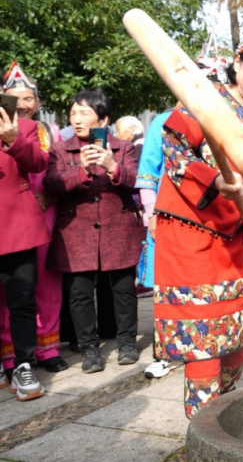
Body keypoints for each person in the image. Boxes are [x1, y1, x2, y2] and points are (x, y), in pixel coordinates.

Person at [153, 34, 243, 418]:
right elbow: (174, 146)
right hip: (194, 237)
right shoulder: (204, 101)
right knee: (203, 344)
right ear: (238, 65)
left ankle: (221, 421)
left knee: (236, 340)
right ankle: (203, 436)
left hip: (241, 243)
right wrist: (212, 180)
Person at [44, 89, 142, 374]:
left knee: (124, 290)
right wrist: (83, 171)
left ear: (104, 118)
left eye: (84, 113)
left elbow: (137, 180)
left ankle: (126, 343)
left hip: (118, 228)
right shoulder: (60, 150)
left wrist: (112, 165)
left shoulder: (123, 147)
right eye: (73, 113)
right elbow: (52, 184)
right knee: (80, 294)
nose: (76, 119)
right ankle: (89, 348)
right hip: (76, 232)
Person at [0, 63, 67, 375]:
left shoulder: (44, 130)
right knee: (12, 293)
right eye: (13, 98)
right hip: (13, 216)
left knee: (42, 287)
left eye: (28, 98)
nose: (21, 104)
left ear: (37, 103)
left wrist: (50, 197)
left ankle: (46, 347)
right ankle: (10, 354)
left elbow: (49, 168)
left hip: (44, 212)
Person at [0, 83, 48, 400]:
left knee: (22, 303)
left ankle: (24, 366)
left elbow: (39, 164)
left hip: (18, 226)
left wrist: (11, 138)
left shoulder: (25, 126)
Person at [134, 107, 175, 379]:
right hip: (166, 216)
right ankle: (163, 352)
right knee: (164, 286)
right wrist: (151, 214)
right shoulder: (162, 121)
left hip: (210, 219)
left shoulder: (220, 115)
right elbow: (148, 173)